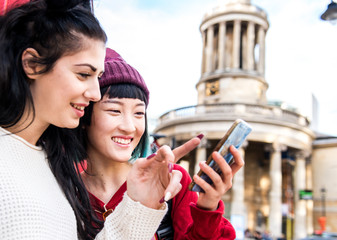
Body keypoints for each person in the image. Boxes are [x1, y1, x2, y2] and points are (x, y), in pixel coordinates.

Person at [0, 0, 198, 239]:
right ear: (32, 64)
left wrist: (141, 205)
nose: (94, 94)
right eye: (83, 74)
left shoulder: (53, 167)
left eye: (139, 112)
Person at [77, 48, 244, 239]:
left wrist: (207, 207)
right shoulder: (63, 189)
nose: (130, 127)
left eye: (139, 113)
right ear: (84, 115)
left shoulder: (170, 179)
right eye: (115, 110)